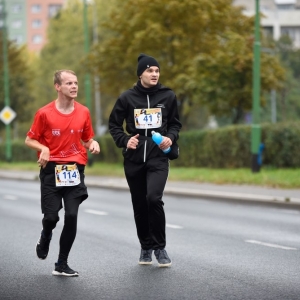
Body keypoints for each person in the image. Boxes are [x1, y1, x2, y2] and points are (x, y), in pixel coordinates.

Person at [108, 53, 182, 267]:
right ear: (140, 73)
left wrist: (170, 137)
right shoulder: (126, 98)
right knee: (140, 204)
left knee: (153, 198)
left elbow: (176, 124)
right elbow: (114, 125)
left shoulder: (168, 96)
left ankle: (160, 247)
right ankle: (145, 246)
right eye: (150, 70)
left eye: (157, 71)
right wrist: (125, 140)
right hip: (134, 159)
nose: (154, 74)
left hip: (158, 156)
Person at [25, 69, 100, 277]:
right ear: (58, 87)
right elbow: (29, 139)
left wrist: (93, 143)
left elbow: (86, 139)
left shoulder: (83, 112)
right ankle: (46, 235)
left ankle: (61, 263)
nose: (74, 86)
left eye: (75, 83)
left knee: (72, 215)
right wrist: (44, 149)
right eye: (69, 83)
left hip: (75, 170)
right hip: (51, 171)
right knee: (51, 218)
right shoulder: (44, 113)